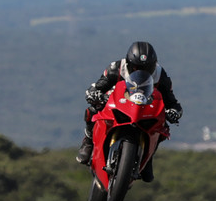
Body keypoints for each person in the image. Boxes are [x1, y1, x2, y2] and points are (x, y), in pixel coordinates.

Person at [76, 40, 183, 180]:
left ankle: (148, 157)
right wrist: (94, 93)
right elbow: (98, 86)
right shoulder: (116, 68)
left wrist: (174, 112)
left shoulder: (160, 75)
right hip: (118, 103)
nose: (141, 72)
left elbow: (172, 101)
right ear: (128, 64)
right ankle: (88, 142)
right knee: (92, 110)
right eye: (136, 68)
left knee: (161, 126)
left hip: (144, 109)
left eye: (147, 68)